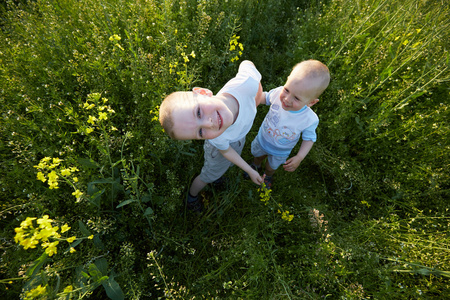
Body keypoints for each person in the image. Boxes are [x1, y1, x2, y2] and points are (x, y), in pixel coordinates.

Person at [159, 60, 265, 211]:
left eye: (198, 112)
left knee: (225, 164)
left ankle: (218, 176)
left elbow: (247, 64)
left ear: (204, 93)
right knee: (209, 175)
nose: (209, 124)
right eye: (201, 132)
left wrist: (256, 97)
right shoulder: (216, 136)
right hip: (219, 150)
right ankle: (192, 196)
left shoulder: (246, 84)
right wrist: (249, 170)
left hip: (237, 138)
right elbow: (226, 151)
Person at [248, 59, 330, 189]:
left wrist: (300, 156)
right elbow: (264, 97)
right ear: (287, 81)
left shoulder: (309, 119)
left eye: (297, 98)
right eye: (287, 90)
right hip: (262, 138)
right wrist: (252, 100)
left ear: (311, 102)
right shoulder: (277, 93)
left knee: (271, 167)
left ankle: (267, 176)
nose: (287, 99)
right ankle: (255, 165)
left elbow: (309, 139)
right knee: (257, 155)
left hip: (280, 151)